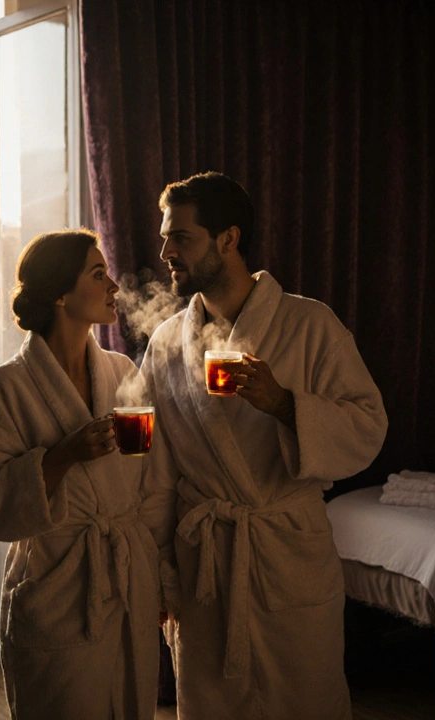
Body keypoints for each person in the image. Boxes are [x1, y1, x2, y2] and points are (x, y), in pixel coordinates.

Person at [142, 172, 388, 719]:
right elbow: (157, 473)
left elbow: (369, 425)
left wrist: (283, 404)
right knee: (212, 704)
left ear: (228, 239)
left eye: (180, 237)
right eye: (165, 237)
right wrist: (160, 569)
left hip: (285, 555)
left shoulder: (310, 324)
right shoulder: (164, 344)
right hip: (205, 564)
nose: (166, 252)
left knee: (304, 701)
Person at [0, 229, 176, 720]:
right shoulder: (7, 388)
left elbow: (152, 484)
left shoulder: (121, 372)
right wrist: (62, 455)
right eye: (98, 275)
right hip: (58, 586)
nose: (114, 285)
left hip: (126, 580)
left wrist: (159, 577)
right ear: (60, 293)